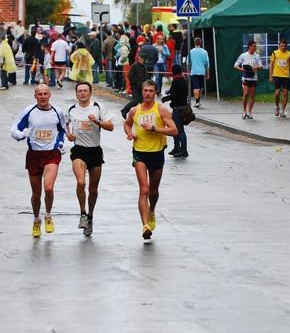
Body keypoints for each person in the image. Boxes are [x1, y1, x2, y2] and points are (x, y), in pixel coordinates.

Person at [123, 80, 178, 240]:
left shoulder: (161, 110)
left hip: (157, 152)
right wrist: (129, 133)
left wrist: (155, 128)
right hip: (140, 152)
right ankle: (145, 225)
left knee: (153, 191)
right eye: (145, 91)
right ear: (142, 92)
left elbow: (174, 130)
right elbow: (126, 124)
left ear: (155, 93)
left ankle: (152, 209)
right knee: (144, 189)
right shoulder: (135, 110)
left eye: (151, 91)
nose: (148, 94)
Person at [10, 84, 66, 237]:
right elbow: (14, 129)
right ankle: (36, 220)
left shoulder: (58, 111)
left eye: (45, 93)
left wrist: (61, 142)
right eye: (39, 94)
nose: (42, 96)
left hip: (51, 154)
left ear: (50, 95)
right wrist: (22, 135)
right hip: (34, 155)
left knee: (48, 188)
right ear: (35, 96)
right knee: (36, 193)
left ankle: (48, 215)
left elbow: (63, 129)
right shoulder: (28, 111)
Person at [66, 81, 114, 236]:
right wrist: (68, 134)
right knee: (81, 182)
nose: (82, 93)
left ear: (90, 92)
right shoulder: (71, 109)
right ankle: (82, 213)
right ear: (76, 94)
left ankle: (90, 216)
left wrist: (97, 122)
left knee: (93, 189)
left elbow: (111, 126)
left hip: (95, 151)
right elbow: (65, 125)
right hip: (79, 150)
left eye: (85, 90)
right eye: (79, 91)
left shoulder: (98, 107)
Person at [161, 64, 189, 158]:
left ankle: (183, 149)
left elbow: (174, 95)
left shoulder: (176, 81)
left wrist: (165, 98)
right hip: (183, 107)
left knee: (178, 130)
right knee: (177, 129)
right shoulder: (183, 80)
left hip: (178, 109)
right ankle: (177, 148)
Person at [234, 40, 263, 119]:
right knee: (246, 93)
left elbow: (261, 66)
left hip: (254, 78)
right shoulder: (243, 55)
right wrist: (242, 70)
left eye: (255, 46)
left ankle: (249, 112)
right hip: (246, 78)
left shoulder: (257, 56)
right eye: (254, 46)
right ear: (249, 46)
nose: (255, 47)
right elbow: (235, 65)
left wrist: (256, 67)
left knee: (252, 96)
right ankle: (244, 111)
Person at [269, 38, 290, 117]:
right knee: (277, 93)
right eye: (282, 45)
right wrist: (270, 76)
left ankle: (282, 111)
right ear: (279, 46)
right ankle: (277, 106)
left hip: (285, 76)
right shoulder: (275, 53)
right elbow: (271, 65)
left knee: (286, 93)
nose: (283, 47)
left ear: (286, 46)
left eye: (285, 46)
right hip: (277, 75)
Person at [121, 54, 148, 120]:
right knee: (135, 101)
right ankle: (124, 110)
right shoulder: (135, 66)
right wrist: (137, 83)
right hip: (135, 87)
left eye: (144, 60)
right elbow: (130, 76)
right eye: (142, 59)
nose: (143, 61)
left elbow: (146, 76)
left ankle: (143, 116)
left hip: (142, 87)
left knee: (143, 102)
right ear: (139, 58)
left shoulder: (144, 67)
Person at [188, 37, 210, 108]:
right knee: (200, 88)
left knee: (195, 88)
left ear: (194, 43)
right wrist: (208, 73)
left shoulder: (191, 52)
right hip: (202, 72)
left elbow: (188, 63)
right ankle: (198, 101)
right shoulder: (204, 52)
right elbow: (207, 64)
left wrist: (188, 71)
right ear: (200, 43)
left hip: (194, 72)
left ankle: (197, 102)